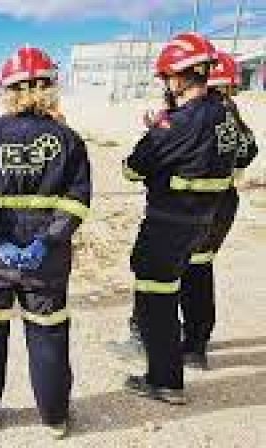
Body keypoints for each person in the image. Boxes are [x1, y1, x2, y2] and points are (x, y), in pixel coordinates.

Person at [0, 46, 91, 438]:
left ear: (7, 90)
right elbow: (75, 202)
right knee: (47, 331)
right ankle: (54, 417)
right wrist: (46, 243)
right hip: (45, 260)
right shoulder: (67, 140)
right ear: (50, 87)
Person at [115, 51, 260, 369]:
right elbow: (248, 151)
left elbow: (136, 167)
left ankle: (148, 342)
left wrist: (163, 136)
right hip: (219, 206)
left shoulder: (184, 118)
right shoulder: (227, 115)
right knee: (198, 270)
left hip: (181, 209)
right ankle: (195, 346)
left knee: (159, 277)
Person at [121, 33, 236, 404]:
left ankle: (164, 380)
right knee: (174, 288)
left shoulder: (177, 123)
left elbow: (132, 168)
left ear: (181, 77)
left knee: (157, 297)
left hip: (169, 222)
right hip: (203, 220)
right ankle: (183, 357)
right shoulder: (224, 116)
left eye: (168, 77)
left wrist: (156, 129)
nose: (167, 85)